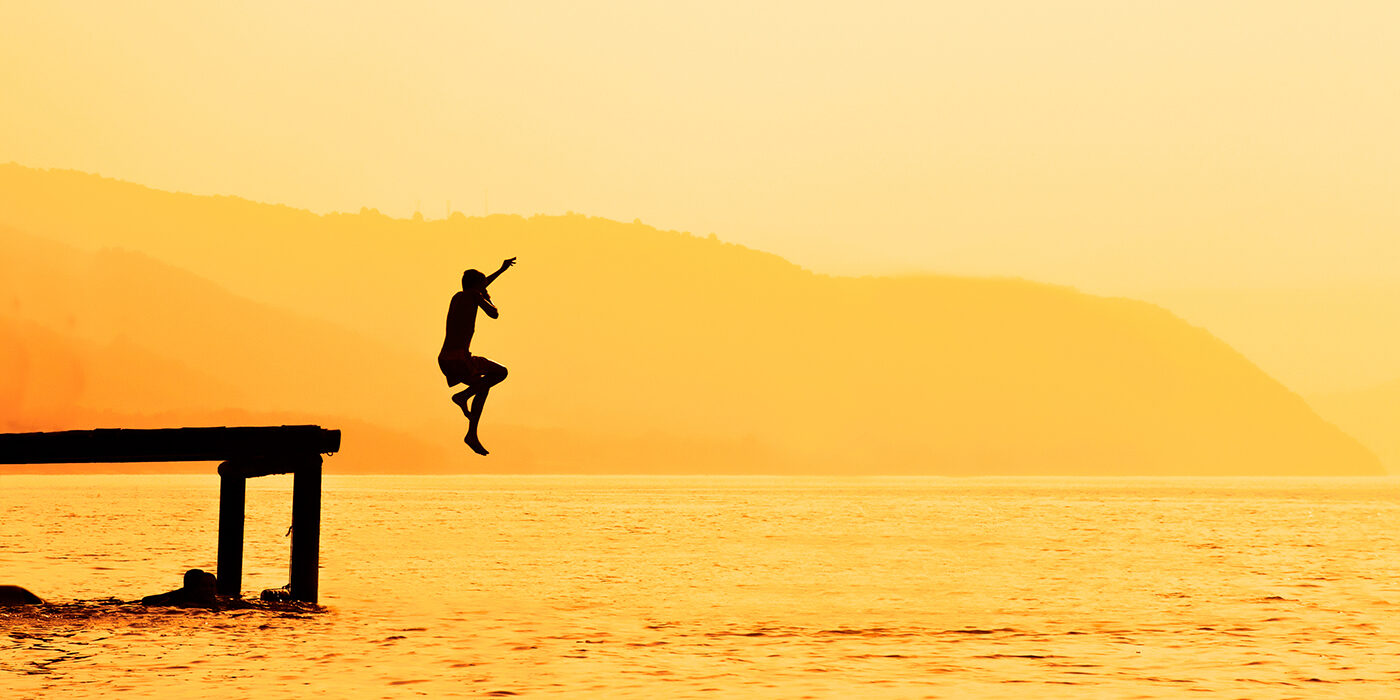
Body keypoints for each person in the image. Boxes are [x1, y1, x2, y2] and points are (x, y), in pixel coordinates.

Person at [439, 257, 515, 455]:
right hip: (458, 359)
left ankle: (470, 425)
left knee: (491, 380)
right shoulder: (474, 295)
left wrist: (501, 270)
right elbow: (494, 314)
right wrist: (488, 298)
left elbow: (480, 285)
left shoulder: (459, 296)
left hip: (447, 358)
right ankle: (464, 404)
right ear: (477, 287)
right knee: (497, 376)